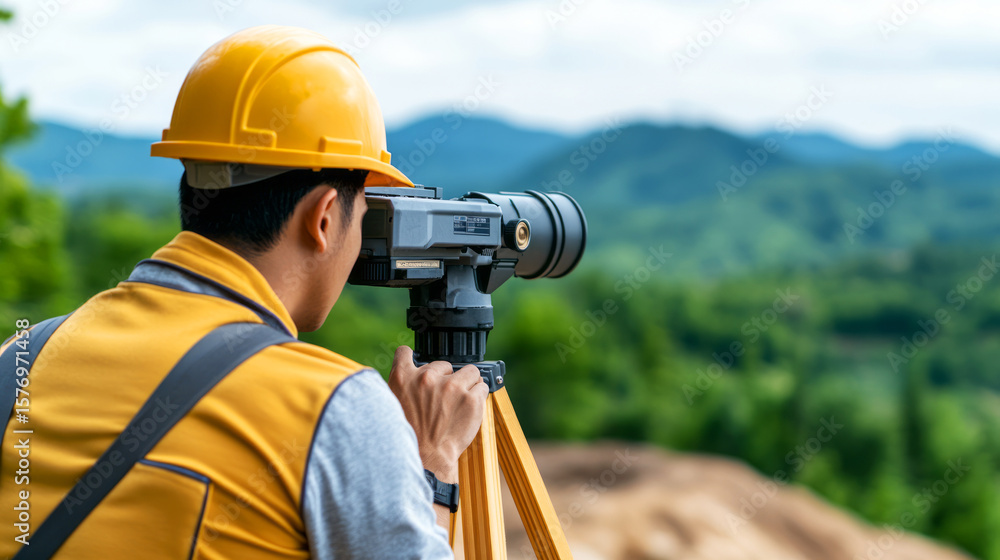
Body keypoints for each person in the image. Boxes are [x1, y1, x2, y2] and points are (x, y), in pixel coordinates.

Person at [0, 25, 487, 559]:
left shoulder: (20, 359)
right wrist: (433, 461)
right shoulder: (333, 405)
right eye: (364, 211)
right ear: (324, 218)